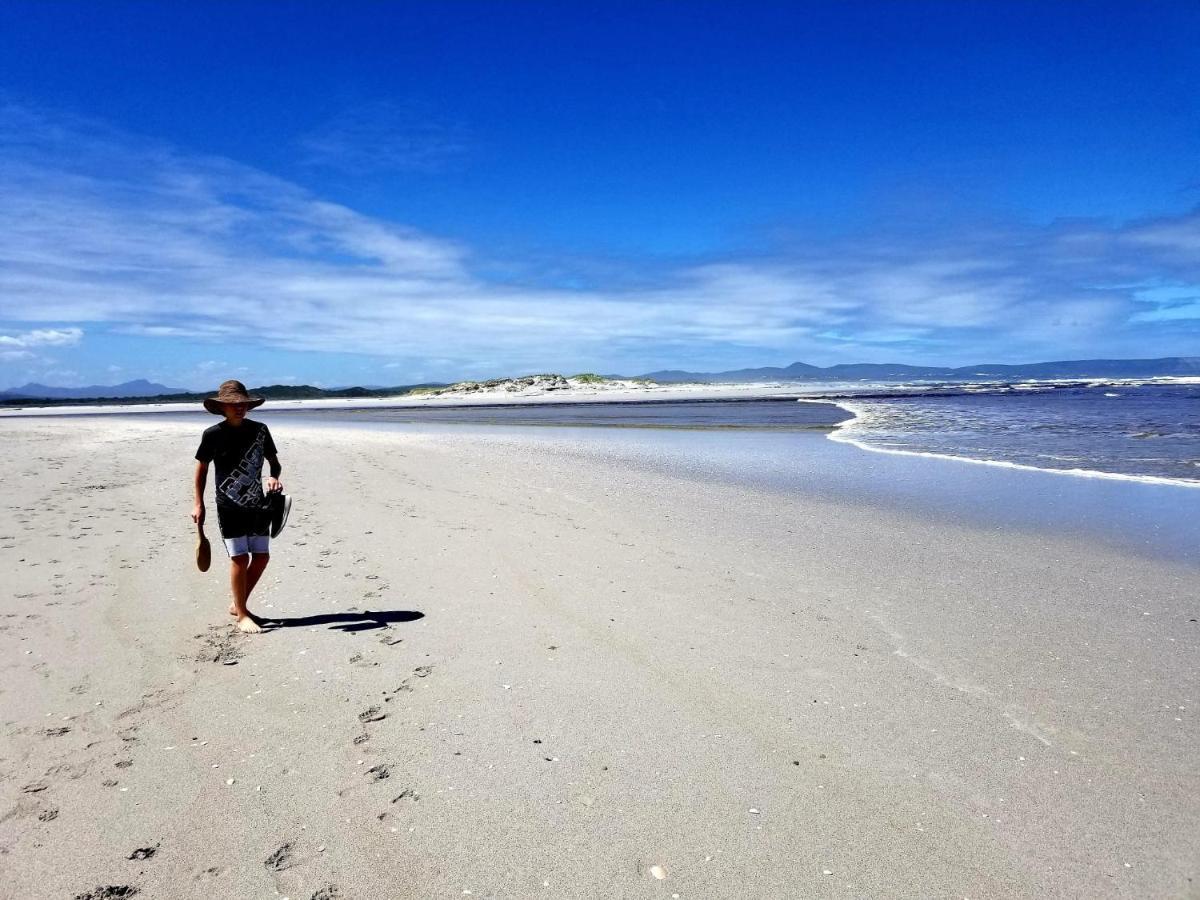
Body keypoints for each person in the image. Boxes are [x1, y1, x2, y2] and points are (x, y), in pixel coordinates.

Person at [192, 380, 282, 634]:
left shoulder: (260, 430)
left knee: (262, 557)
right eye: (233, 405)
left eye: (242, 403)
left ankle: (237, 604)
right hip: (228, 506)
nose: (239, 408)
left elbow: (274, 463)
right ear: (222, 407)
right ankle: (242, 614)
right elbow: (201, 469)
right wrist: (198, 503)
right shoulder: (213, 435)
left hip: (258, 504)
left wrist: (273, 477)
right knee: (240, 559)